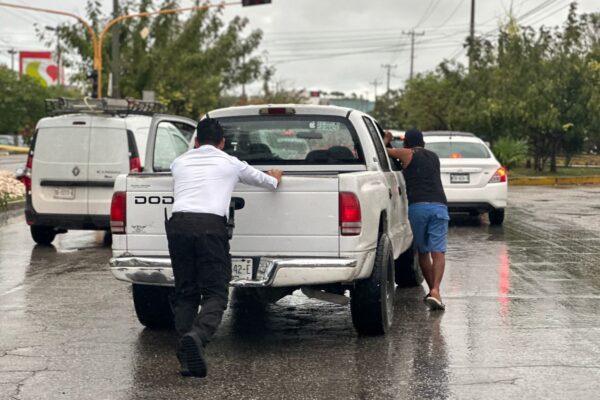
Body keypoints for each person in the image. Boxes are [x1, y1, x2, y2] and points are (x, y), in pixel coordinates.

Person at [166, 118, 283, 377]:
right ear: (222, 143)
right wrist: (275, 178)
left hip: (179, 224)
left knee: (185, 292)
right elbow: (267, 182)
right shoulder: (230, 161)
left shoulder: (180, 161)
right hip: (209, 226)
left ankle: (186, 353)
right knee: (216, 293)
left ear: (196, 142)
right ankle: (197, 336)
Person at [384, 128, 448, 311]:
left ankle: (434, 291)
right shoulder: (434, 156)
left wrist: (386, 139)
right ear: (423, 142)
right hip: (439, 206)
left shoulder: (407, 152)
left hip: (418, 207)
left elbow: (383, 151)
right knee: (438, 252)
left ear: (406, 143)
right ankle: (435, 291)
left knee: (423, 252)